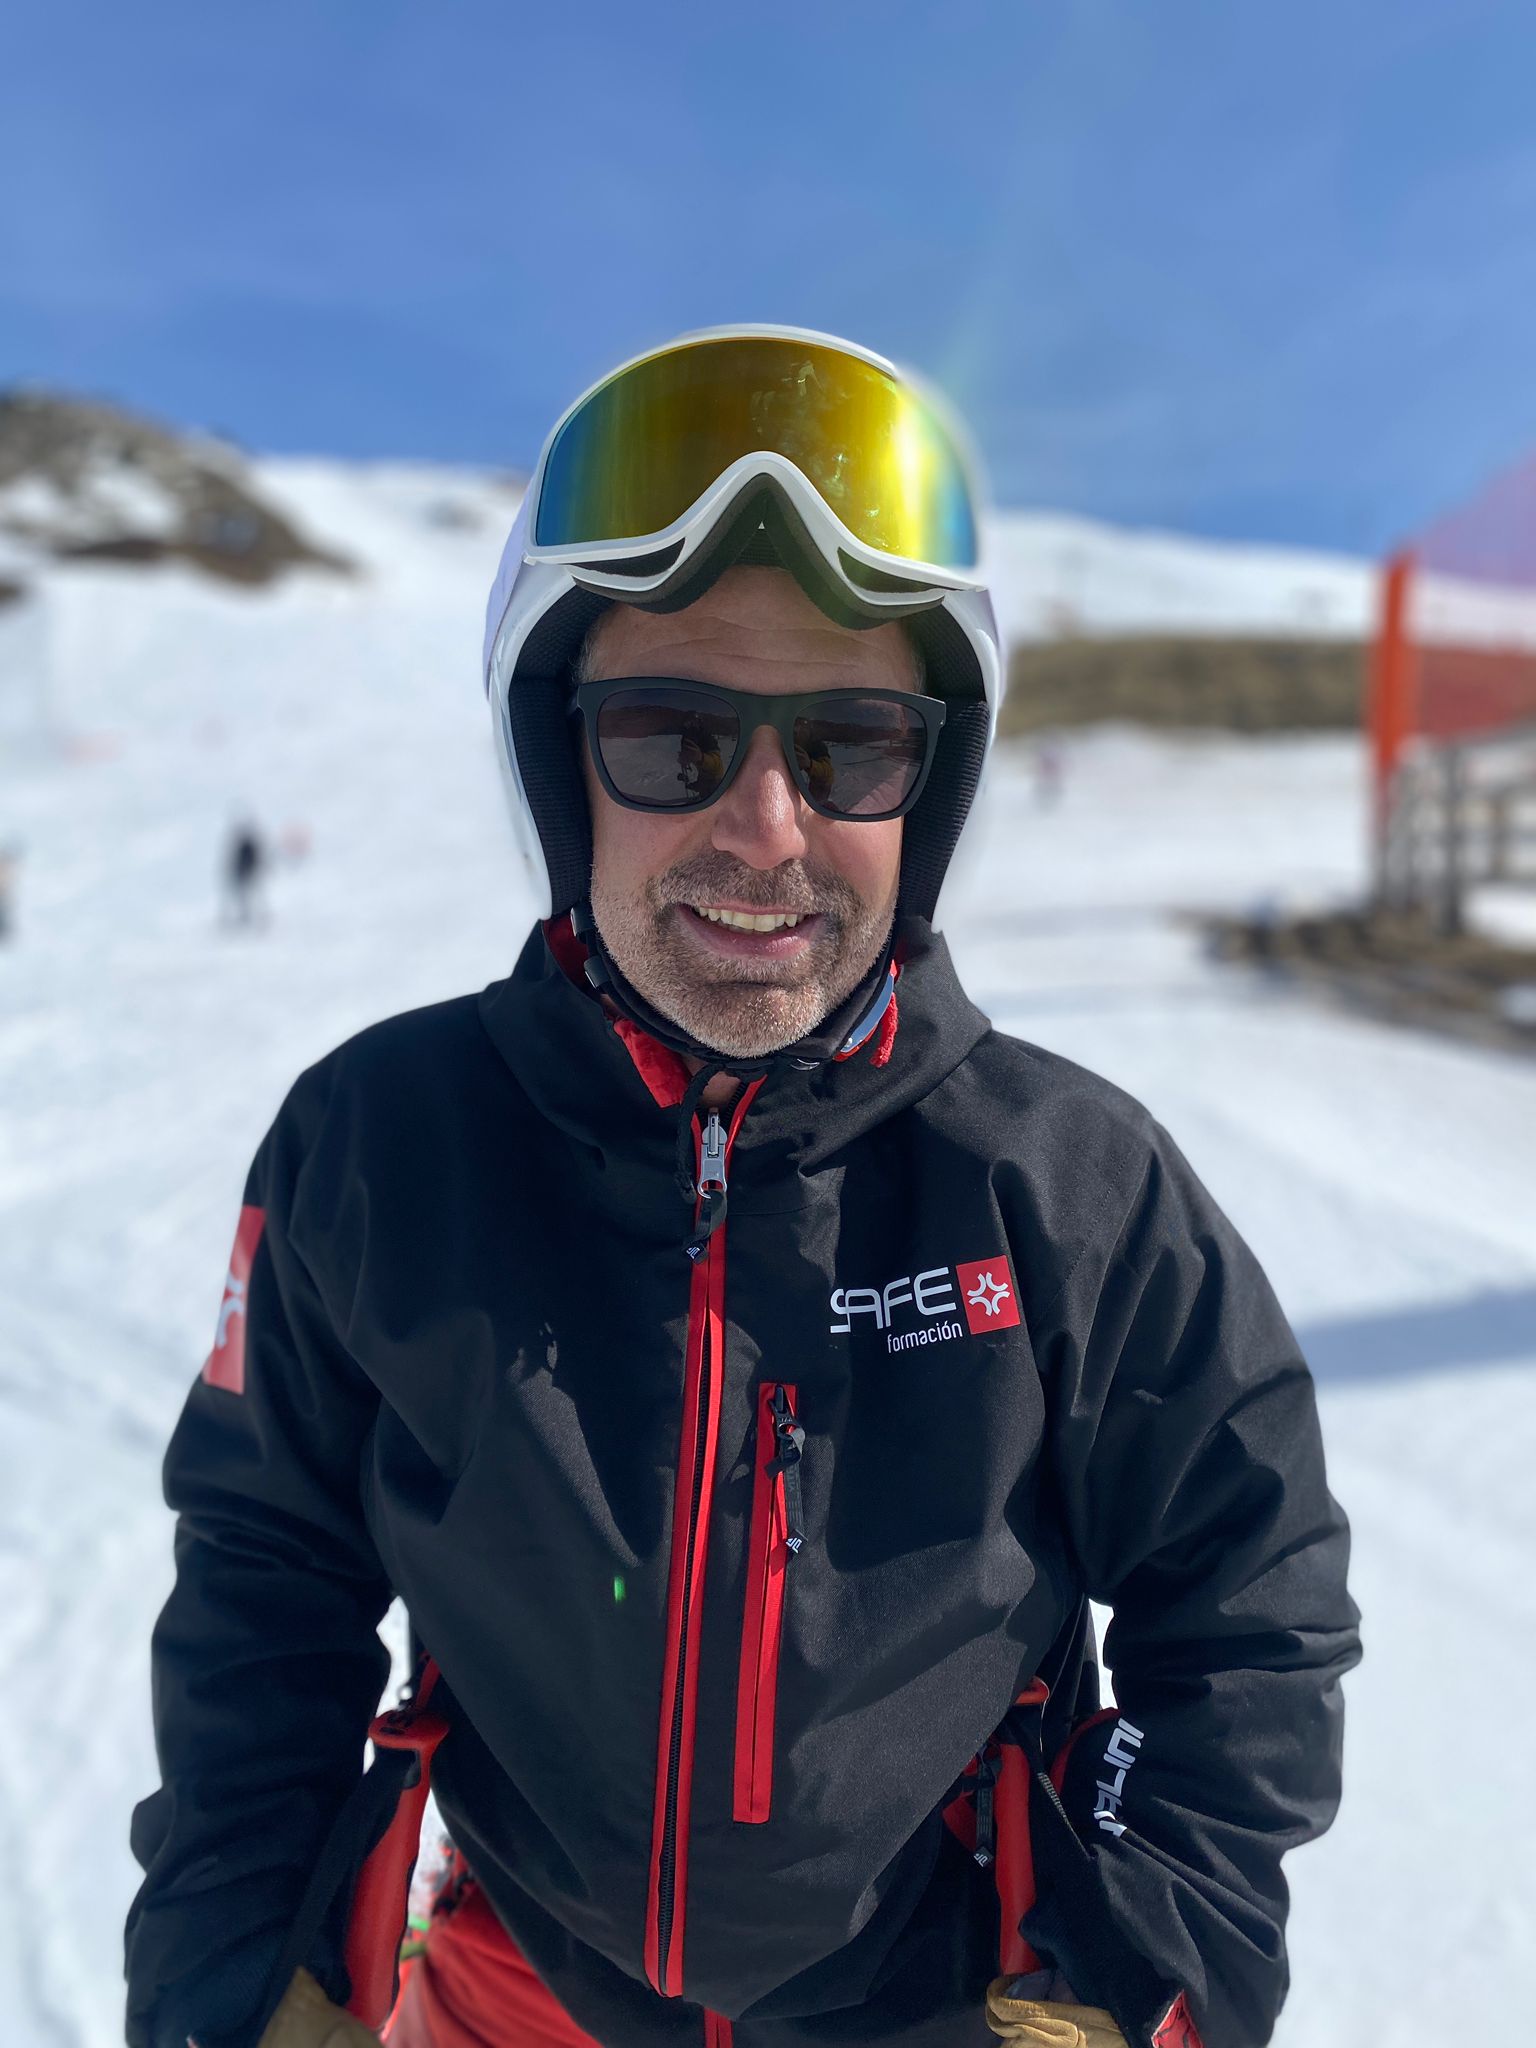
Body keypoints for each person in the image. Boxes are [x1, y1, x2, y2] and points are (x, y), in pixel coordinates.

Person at [126, 328, 1359, 2048]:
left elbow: (1248, 1588)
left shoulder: (1064, 1185)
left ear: (931, 786)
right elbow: (268, 1576)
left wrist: (1142, 1962)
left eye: (851, 748)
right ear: (561, 764)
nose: (768, 830)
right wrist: (239, 1970)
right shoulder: (385, 1142)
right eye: (671, 738)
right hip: (514, 1982)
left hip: (945, 2003)